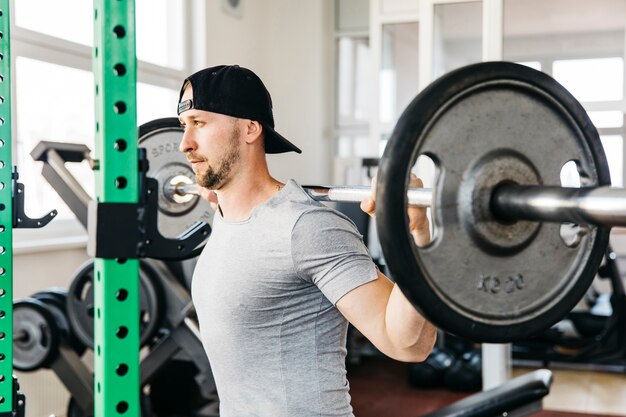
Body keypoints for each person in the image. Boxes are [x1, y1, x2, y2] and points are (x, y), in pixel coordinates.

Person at [177, 64, 437, 417]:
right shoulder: (225, 215)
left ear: (250, 128)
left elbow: (409, 344)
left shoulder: (306, 227)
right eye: (183, 126)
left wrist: (416, 237)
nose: (184, 144)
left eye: (200, 123)